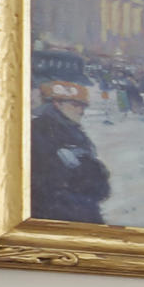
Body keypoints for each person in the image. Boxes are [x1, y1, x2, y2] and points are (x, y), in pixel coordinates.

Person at [29, 79, 109, 223]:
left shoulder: (73, 131)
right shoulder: (39, 131)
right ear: (57, 104)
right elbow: (44, 180)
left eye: (83, 106)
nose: (81, 111)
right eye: (75, 105)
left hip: (79, 211)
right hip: (58, 215)